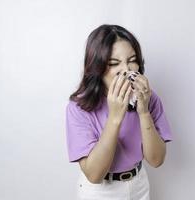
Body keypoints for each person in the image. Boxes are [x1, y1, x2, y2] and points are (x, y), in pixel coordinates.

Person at [65, 24, 173, 200]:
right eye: (114, 63)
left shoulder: (149, 98)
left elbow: (156, 160)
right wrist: (115, 117)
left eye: (132, 60)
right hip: (100, 191)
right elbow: (94, 175)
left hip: (139, 185)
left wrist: (144, 112)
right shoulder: (79, 107)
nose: (127, 69)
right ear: (97, 68)